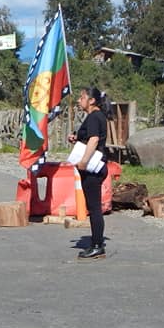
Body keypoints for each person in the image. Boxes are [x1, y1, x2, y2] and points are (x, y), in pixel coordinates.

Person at [67, 87, 109, 259]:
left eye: (82, 97)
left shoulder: (94, 116)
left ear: (91, 100)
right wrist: (77, 139)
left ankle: (97, 245)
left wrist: (83, 161)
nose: (79, 100)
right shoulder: (97, 117)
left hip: (92, 168)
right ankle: (96, 243)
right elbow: (89, 138)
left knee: (94, 208)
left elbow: (93, 139)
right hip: (94, 166)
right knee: (93, 206)